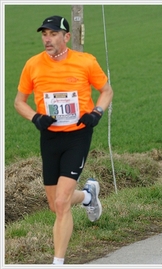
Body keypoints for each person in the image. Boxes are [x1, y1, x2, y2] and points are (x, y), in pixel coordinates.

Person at [14, 15, 113, 265]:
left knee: (61, 201)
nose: (47, 39)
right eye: (44, 34)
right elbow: (19, 102)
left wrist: (96, 113)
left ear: (66, 37)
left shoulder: (85, 61)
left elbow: (106, 91)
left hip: (78, 134)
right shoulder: (33, 65)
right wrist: (36, 118)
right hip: (49, 137)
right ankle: (89, 196)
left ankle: (58, 262)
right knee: (54, 204)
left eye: (53, 34)